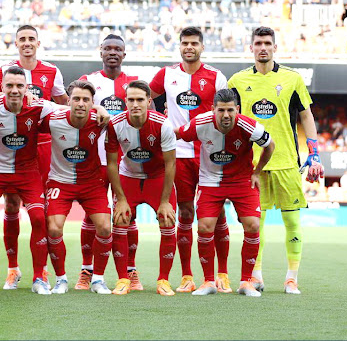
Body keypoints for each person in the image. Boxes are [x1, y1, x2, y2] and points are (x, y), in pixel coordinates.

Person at [0, 66, 109, 295]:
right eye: (9, 86)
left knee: (39, 218)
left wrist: (99, 106)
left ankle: (39, 277)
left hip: (28, 172)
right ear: (2, 87)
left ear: (27, 88)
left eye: (19, 86)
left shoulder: (40, 106)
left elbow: (74, 107)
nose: (14, 90)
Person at [228, 26, 324, 294]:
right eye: (258, 43)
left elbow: (306, 116)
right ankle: (255, 275)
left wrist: (314, 152)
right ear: (251, 48)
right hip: (252, 166)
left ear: (274, 47)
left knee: (292, 222)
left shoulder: (293, 79)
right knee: (254, 224)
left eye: (267, 43)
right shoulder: (236, 80)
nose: (263, 47)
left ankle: (291, 277)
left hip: (286, 162)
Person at [0, 25, 69, 289]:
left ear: (38, 43)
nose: (27, 43)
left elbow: (63, 102)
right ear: (16, 44)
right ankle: (13, 268)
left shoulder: (52, 70)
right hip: (9, 149)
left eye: (31, 39)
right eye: (22, 39)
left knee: (39, 211)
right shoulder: (5, 70)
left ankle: (41, 272)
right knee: (10, 206)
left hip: (43, 147)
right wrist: (17, 93)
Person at [149, 26, 231, 294]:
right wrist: (158, 121)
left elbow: (226, 112)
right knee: (185, 212)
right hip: (179, 155)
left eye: (194, 43)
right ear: (180, 46)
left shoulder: (216, 77)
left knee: (216, 214)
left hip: (210, 154)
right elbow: (146, 97)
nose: (189, 47)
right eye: (185, 43)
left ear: (202, 47)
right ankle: (187, 275)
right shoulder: (166, 74)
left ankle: (222, 274)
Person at [175, 89, 275, 297]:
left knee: (253, 224)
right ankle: (209, 282)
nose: (226, 115)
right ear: (213, 110)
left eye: (230, 110)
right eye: (221, 110)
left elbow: (270, 145)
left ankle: (246, 282)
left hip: (241, 181)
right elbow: (176, 134)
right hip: (210, 182)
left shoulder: (249, 126)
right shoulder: (200, 123)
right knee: (204, 227)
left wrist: (257, 172)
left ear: (237, 109)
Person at [75, 34, 140, 291]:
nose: (112, 53)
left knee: (128, 215)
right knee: (93, 218)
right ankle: (87, 270)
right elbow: (73, 107)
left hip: (129, 162)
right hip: (95, 161)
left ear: (124, 54)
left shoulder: (134, 84)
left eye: (118, 49)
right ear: (100, 51)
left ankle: (130, 272)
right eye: (108, 48)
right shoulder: (87, 82)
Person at [40, 80, 113, 295]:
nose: (81, 104)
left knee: (105, 228)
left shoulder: (100, 120)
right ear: (68, 101)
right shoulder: (53, 119)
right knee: (53, 228)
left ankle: (98, 279)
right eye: (76, 99)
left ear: (92, 103)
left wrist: (102, 109)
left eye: (86, 100)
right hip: (60, 182)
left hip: (91, 184)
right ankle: (61, 279)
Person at [106, 80, 178, 296]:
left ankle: (163, 280)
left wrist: (165, 201)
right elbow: (111, 163)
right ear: (125, 101)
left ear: (149, 101)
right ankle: (122, 279)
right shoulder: (115, 124)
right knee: (120, 220)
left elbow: (170, 164)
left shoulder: (162, 124)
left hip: (158, 179)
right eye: (130, 100)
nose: (135, 104)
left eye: (140, 100)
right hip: (128, 178)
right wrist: (120, 198)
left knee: (167, 221)